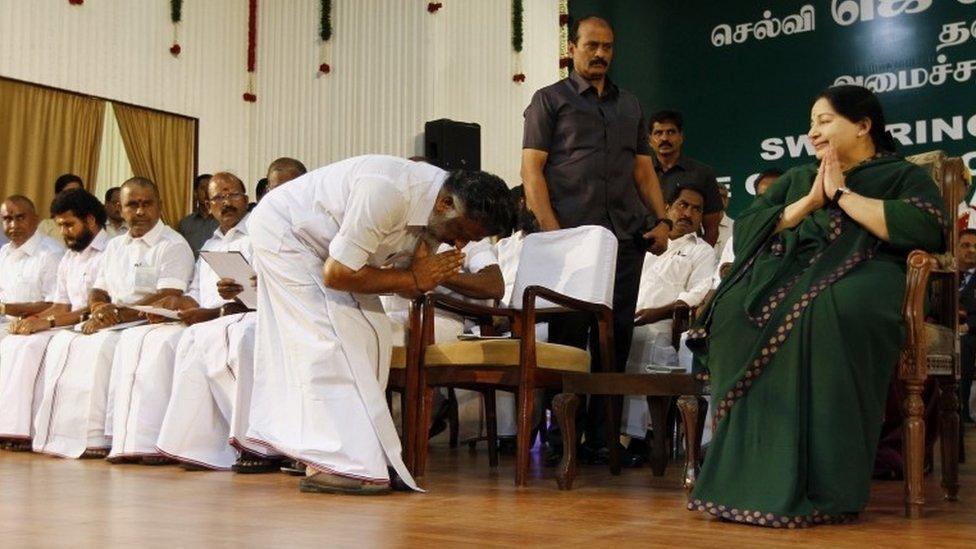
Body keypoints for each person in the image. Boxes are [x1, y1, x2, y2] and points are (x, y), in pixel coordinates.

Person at [686, 85, 945, 527]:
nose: (813, 132)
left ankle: (827, 487)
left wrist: (843, 195)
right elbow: (747, 231)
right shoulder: (798, 177)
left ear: (863, 126)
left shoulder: (902, 176)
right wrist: (810, 201)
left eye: (824, 121)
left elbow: (924, 228)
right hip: (792, 268)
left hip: (867, 268)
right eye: (811, 124)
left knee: (827, 307)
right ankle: (746, 478)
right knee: (733, 310)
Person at [245, 155, 514, 495]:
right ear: (445, 204)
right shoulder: (386, 192)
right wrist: (415, 278)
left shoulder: (441, 204)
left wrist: (422, 276)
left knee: (374, 336)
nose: (459, 244)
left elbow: (411, 273)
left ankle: (368, 456)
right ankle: (333, 461)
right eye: (460, 233)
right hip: (285, 233)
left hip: (329, 252)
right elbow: (337, 274)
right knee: (328, 341)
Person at [521, 15, 669, 463]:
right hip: (571, 241)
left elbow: (643, 170)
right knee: (566, 342)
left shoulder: (630, 104)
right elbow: (532, 170)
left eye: (607, 46)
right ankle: (560, 439)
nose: (601, 54)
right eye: (592, 46)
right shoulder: (549, 100)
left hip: (623, 238)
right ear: (572, 48)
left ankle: (603, 441)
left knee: (615, 341)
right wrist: (553, 234)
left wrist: (662, 219)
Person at [155, 172, 259, 470]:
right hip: (215, 320)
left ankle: (251, 443)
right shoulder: (210, 244)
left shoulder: (257, 236)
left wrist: (225, 306)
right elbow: (196, 293)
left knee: (232, 338)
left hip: (250, 317)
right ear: (208, 205)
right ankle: (198, 446)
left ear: (246, 199)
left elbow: (264, 289)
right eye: (218, 198)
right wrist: (177, 305)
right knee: (188, 339)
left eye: (233, 195)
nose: (227, 203)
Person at [0, 190, 108, 453]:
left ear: (90, 221)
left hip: (97, 323)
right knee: (16, 341)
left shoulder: (110, 251)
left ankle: (25, 431)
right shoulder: (71, 256)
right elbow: (60, 305)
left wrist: (45, 323)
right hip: (68, 323)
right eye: (60, 226)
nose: (64, 232)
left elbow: (92, 306)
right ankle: (13, 428)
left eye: (69, 225)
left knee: (30, 346)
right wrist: (34, 321)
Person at [623, 186, 714, 452]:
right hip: (625, 320)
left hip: (665, 323)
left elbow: (698, 293)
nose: (688, 213)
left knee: (653, 341)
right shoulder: (645, 241)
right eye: (682, 205)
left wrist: (658, 312)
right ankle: (608, 440)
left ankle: (646, 440)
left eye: (696, 209)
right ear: (666, 208)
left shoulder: (702, 251)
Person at [650, 110, 723, 246]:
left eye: (671, 132)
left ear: (681, 137)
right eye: (658, 133)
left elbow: (712, 229)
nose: (664, 138)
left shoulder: (702, 173)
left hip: (688, 253)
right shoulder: (640, 174)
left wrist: (700, 255)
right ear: (649, 140)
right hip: (645, 252)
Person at [0, 196, 65, 343]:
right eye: (7, 219)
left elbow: (56, 305)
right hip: (6, 325)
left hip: (39, 329)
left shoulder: (51, 254)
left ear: (36, 219)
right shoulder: (4, 252)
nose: (13, 225)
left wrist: (5, 308)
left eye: (20, 218)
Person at [713, 168, 782, 286]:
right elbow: (718, 284)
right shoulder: (737, 238)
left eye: (776, 196)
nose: (770, 202)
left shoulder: (805, 232)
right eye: (762, 198)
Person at [958, 229, 976, 423]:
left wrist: (969, 326)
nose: (971, 250)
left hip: (971, 332)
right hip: (944, 328)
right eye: (965, 245)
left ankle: (960, 409)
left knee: (964, 344)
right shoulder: (943, 274)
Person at [177, 174, 218, 257]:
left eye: (210, 188)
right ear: (195, 193)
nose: (207, 192)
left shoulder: (224, 221)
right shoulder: (185, 223)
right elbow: (180, 252)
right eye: (203, 188)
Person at [37, 174, 84, 245]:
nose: (74, 197)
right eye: (69, 193)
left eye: (78, 192)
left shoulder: (89, 224)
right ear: (58, 196)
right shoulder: (46, 226)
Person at [714, 185, 733, 262]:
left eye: (723, 196)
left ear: (727, 201)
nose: (719, 200)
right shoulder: (697, 228)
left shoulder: (736, 227)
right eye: (715, 196)